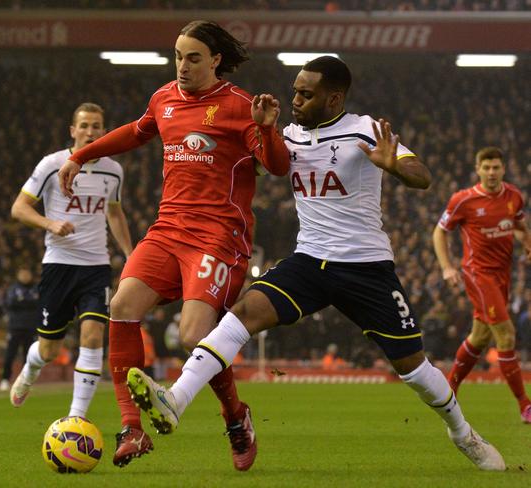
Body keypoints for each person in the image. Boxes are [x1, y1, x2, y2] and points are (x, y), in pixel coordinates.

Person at [126, 56, 506, 471]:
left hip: (365, 267)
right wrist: (258, 130)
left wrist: (394, 164)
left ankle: (461, 432)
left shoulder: (364, 129)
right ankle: (176, 400)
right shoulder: (288, 135)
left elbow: (422, 175)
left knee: (413, 370)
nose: (296, 100)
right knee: (242, 315)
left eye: (306, 94)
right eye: (295, 91)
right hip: (309, 260)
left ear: (334, 98)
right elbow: (254, 161)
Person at [57, 20, 289, 469]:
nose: (182, 66)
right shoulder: (164, 98)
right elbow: (135, 131)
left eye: (193, 58)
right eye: (178, 56)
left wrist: (267, 129)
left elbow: (276, 167)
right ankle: (132, 429)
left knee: (193, 336)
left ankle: (236, 417)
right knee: (122, 305)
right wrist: (81, 154)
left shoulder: (241, 106)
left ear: (216, 60)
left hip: (219, 236)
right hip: (168, 230)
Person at [9, 103, 133, 423]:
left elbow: (114, 213)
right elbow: (19, 208)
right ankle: (31, 367)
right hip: (59, 264)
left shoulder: (113, 170)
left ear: (105, 131)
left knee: (93, 336)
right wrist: (50, 224)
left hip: (97, 266)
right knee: (49, 350)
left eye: (97, 126)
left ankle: (75, 419)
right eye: (85, 125)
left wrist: (131, 255)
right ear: (73, 130)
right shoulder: (52, 164)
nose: (90, 131)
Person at [432, 146, 531, 422]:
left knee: (480, 336)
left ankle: (449, 389)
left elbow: (521, 226)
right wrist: (447, 267)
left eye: (496, 167)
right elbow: (439, 232)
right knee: (506, 335)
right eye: (486, 168)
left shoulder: (514, 197)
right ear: (478, 169)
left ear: (503, 169)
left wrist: (527, 244)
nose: (491, 172)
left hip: (502, 276)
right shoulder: (463, 200)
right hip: (478, 274)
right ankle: (525, 405)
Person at [0, 266, 39, 392]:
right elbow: (10, 303)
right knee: (10, 354)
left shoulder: (36, 288)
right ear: (18, 275)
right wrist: (29, 302)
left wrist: (22, 302)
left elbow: (39, 303)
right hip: (15, 326)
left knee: (29, 356)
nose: (25, 277)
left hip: (31, 326)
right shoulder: (13, 289)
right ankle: (5, 379)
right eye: (22, 274)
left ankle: (25, 381)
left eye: (27, 274)